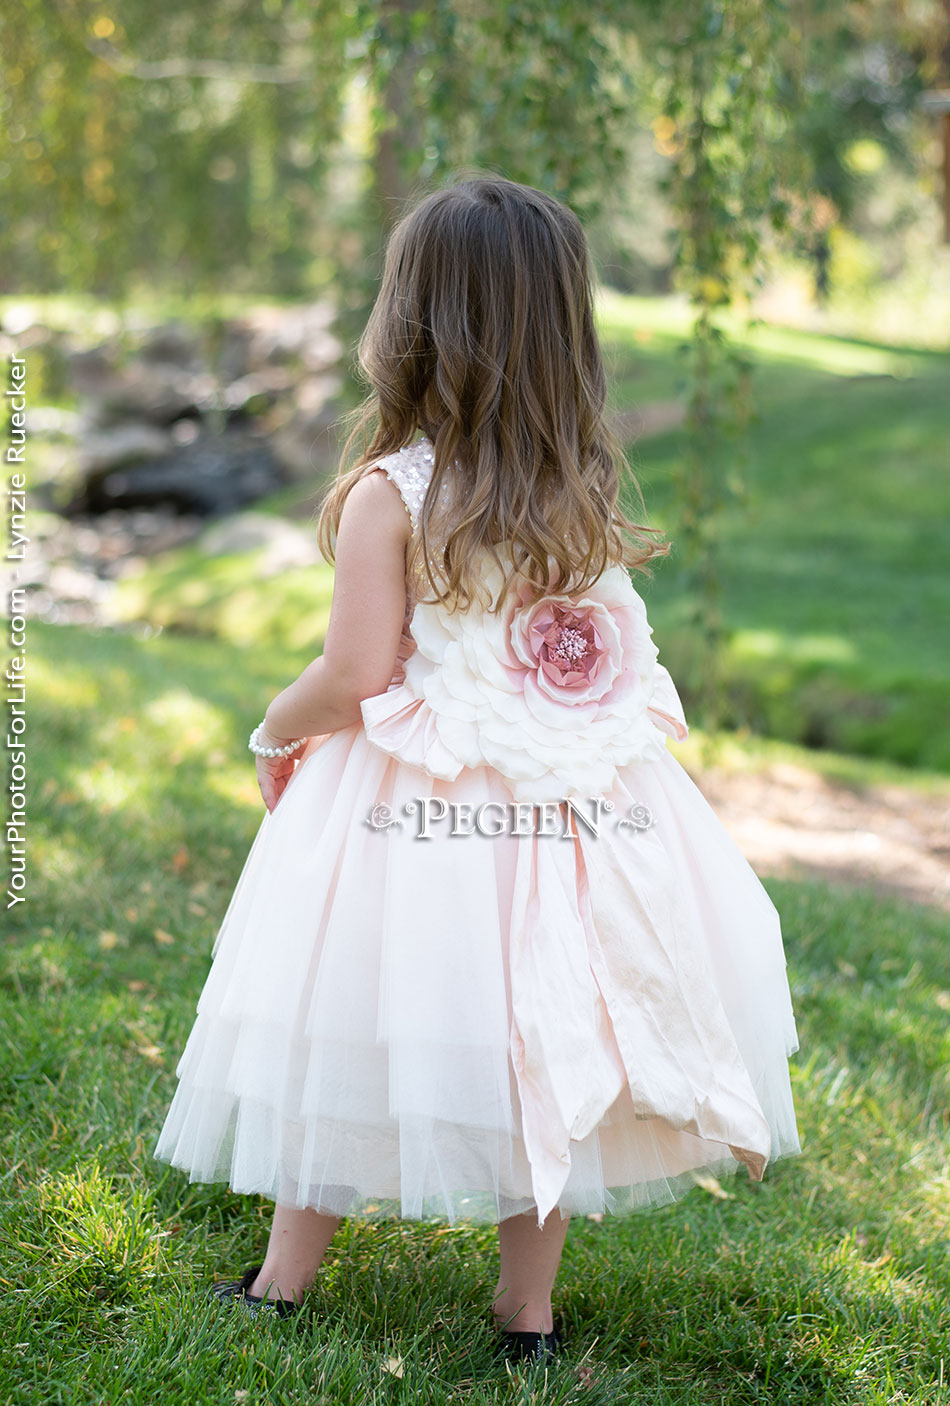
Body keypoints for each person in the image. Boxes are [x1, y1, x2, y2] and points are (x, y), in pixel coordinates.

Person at [153, 175, 801, 1366]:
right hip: (568, 810)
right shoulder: (578, 490)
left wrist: (272, 723)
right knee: (538, 1022)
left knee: (347, 1013)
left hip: (415, 806)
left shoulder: (389, 496)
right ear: (566, 332)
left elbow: (354, 673)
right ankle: (526, 1315)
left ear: (410, 323)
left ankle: (285, 1276)